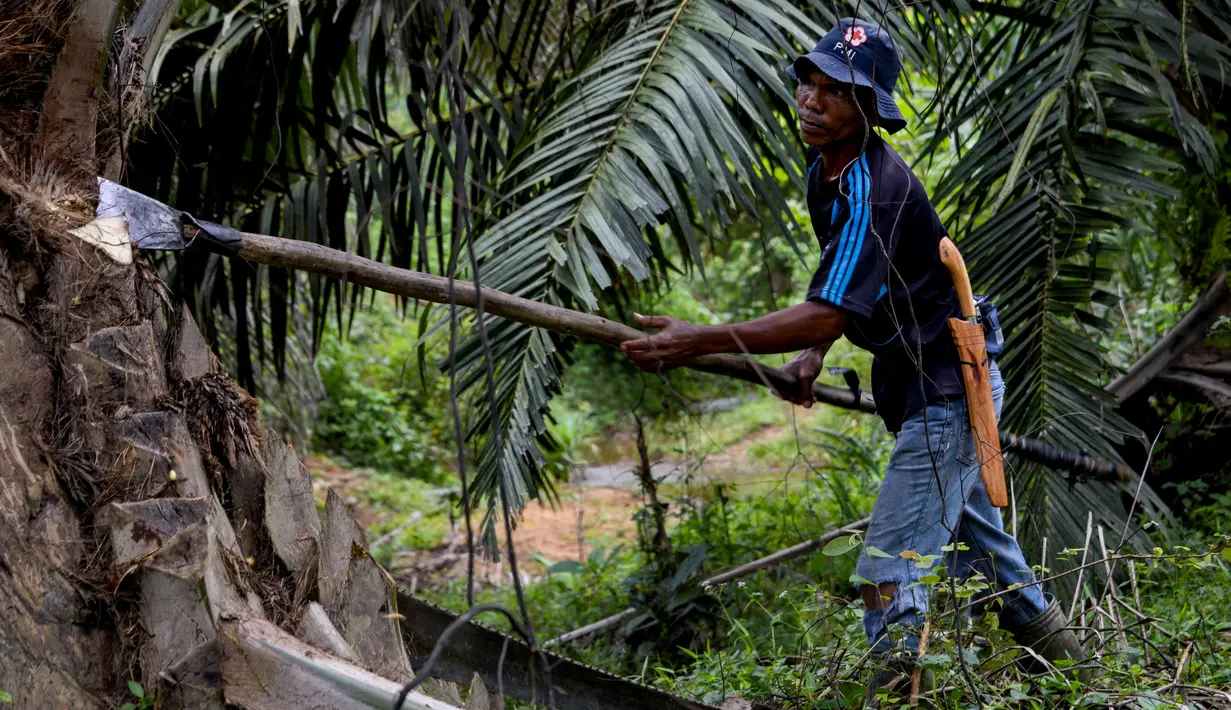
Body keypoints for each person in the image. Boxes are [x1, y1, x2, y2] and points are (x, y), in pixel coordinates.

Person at [619, 18, 1085, 705]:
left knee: (886, 575)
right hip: (922, 387)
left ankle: (897, 696)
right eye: (808, 82)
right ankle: (1085, 679)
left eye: (834, 91)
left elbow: (833, 309)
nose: (811, 100)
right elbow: (845, 284)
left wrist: (699, 338)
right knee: (992, 559)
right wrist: (812, 354)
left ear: (868, 109)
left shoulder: (877, 184)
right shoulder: (826, 173)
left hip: (951, 391)